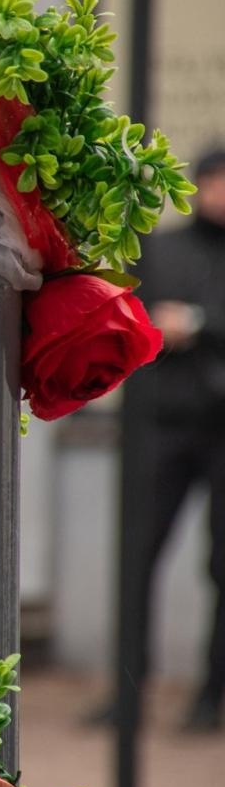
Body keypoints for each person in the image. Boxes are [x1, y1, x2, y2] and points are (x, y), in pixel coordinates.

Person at [113, 148, 225, 732]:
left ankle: (211, 695)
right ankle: (127, 688)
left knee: (222, 565)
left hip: (221, 430)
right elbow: (128, 315)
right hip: (163, 424)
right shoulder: (161, 249)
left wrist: (200, 323)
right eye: (216, 182)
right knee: (137, 554)